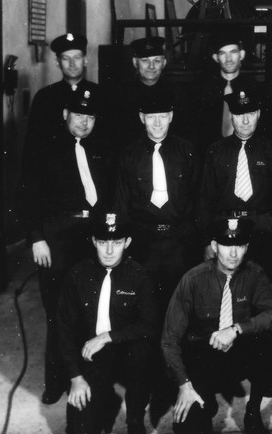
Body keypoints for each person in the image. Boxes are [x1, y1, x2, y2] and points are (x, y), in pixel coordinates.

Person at [25, 85, 116, 405]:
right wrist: (37, 239)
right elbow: (29, 196)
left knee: (92, 311)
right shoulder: (46, 148)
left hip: (93, 237)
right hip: (58, 239)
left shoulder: (102, 148)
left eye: (90, 117)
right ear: (65, 115)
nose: (84, 122)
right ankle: (55, 381)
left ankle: (90, 376)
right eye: (78, 115)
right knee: (58, 314)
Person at [161, 217, 272, 434]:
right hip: (204, 357)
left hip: (239, 353)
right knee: (188, 433)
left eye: (240, 246)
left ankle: (253, 410)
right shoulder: (193, 279)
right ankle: (206, 402)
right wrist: (184, 384)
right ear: (215, 246)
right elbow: (169, 340)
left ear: (247, 247)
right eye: (227, 246)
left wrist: (236, 329)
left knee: (267, 338)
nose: (234, 254)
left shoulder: (254, 274)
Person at [57, 213, 158, 434]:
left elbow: (150, 325)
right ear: (94, 241)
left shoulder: (140, 276)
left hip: (126, 350)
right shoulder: (77, 275)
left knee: (142, 353)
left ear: (127, 242)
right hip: (92, 354)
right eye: (103, 242)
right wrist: (75, 377)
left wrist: (108, 337)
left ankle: (135, 419)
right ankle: (104, 400)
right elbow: (63, 328)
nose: (110, 251)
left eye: (117, 242)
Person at [113, 85, 199, 304]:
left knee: (180, 301)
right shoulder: (128, 155)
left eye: (162, 116)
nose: (158, 123)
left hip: (180, 241)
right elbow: (121, 203)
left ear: (171, 116)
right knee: (144, 301)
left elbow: (199, 198)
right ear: (142, 118)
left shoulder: (187, 151)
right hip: (143, 241)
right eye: (151, 117)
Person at [197, 81, 272, 275]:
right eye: (239, 115)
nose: (245, 121)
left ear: (258, 114)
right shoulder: (215, 151)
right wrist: (207, 240)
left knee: (263, 280)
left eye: (250, 114)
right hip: (226, 228)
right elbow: (205, 198)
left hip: (262, 227)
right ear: (231, 116)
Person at [22, 32, 98, 169]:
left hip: (92, 168)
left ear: (85, 60)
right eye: (66, 58)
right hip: (55, 170)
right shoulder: (45, 97)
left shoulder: (101, 94)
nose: (72, 64)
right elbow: (33, 144)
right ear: (58, 62)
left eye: (77, 57)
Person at [107, 36, 192, 151]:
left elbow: (185, 134)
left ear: (164, 63)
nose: (151, 66)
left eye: (156, 61)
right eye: (145, 60)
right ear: (135, 62)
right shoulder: (120, 94)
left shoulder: (177, 93)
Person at [193, 29, 257, 153]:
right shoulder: (202, 90)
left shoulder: (253, 88)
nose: (228, 59)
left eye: (233, 52)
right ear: (216, 58)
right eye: (223, 53)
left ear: (242, 55)